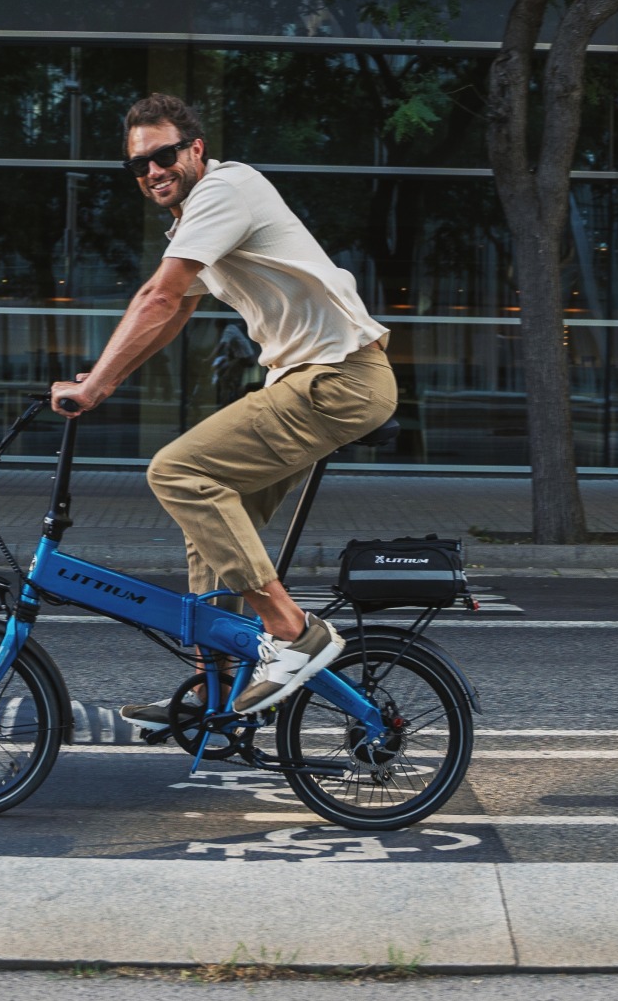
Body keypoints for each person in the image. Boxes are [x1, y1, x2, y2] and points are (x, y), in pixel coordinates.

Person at [50, 94, 394, 725]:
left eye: (163, 155)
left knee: (176, 472)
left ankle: (294, 633)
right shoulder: (193, 221)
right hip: (314, 380)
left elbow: (162, 293)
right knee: (208, 527)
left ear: (195, 150)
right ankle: (218, 697)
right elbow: (178, 308)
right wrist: (110, 379)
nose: (153, 171)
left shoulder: (227, 191)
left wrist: (95, 385)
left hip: (338, 378)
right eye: (139, 165)